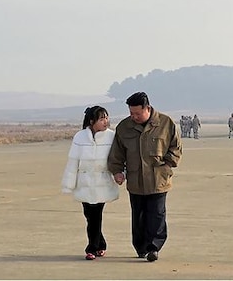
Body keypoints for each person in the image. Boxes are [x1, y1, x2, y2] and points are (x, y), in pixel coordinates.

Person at [107, 92, 182, 262]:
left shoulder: (165, 123)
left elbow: (176, 148)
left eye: (137, 113)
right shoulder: (124, 127)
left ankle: (153, 248)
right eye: (131, 113)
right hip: (136, 180)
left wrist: (167, 164)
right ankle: (141, 248)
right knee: (139, 216)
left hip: (158, 179)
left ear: (147, 108)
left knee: (157, 214)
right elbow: (117, 153)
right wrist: (117, 171)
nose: (134, 117)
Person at [61, 106, 120, 261]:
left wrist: (120, 174)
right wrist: (68, 183)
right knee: (89, 215)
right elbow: (73, 161)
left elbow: (118, 159)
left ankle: (91, 248)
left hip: (102, 182)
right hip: (84, 183)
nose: (105, 121)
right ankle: (101, 244)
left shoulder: (112, 136)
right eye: (101, 119)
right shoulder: (80, 137)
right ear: (92, 121)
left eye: (106, 117)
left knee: (95, 215)